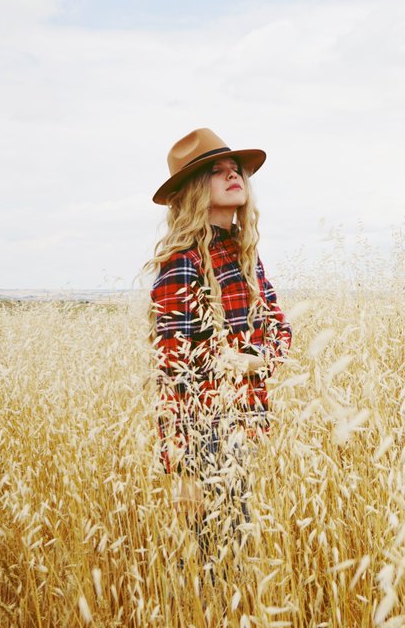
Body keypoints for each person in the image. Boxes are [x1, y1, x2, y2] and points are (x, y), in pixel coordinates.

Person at [146, 127, 292, 563]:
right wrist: (184, 470)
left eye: (236, 169)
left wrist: (253, 361)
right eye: (217, 171)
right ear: (194, 188)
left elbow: (280, 330)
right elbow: (171, 372)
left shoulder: (244, 253)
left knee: (239, 555)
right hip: (206, 434)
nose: (234, 175)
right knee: (220, 564)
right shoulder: (183, 261)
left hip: (247, 422)